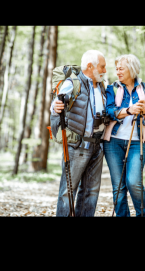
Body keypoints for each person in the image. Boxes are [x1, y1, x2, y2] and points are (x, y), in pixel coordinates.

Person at [50, 50, 107, 217]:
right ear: (90, 66)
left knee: (91, 192)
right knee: (68, 191)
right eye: (102, 67)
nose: (104, 70)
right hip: (78, 146)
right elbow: (56, 102)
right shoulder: (72, 83)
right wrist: (55, 106)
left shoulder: (102, 85)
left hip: (97, 146)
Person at [104, 54, 145, 217]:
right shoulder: (112, 89)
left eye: (121, 68)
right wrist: (128, 110)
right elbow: (109, 111)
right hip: (113, 142)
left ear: (132, 69)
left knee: (134, 182)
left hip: (137, 142)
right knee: (119, 187)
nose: (118, 71)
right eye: (117, 68)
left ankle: (143, 215)